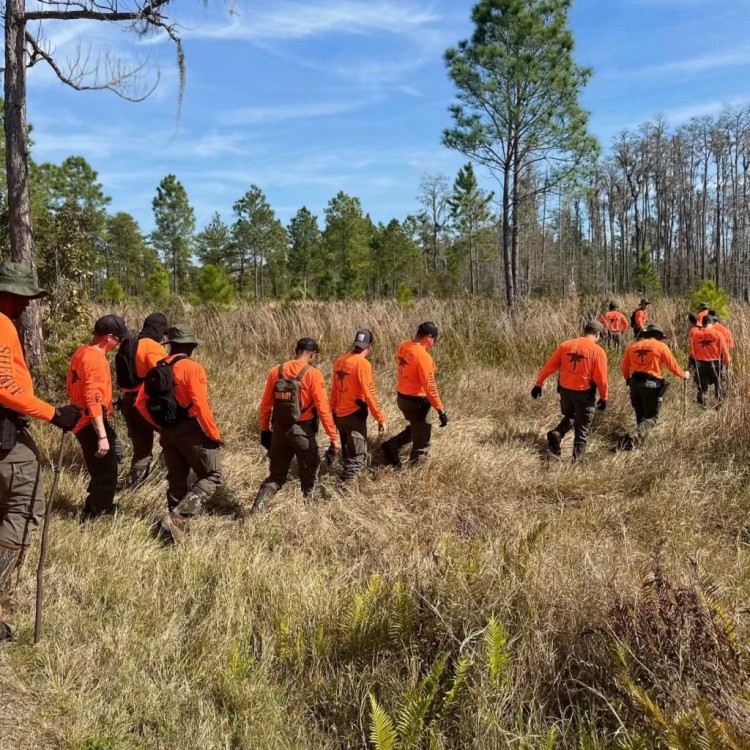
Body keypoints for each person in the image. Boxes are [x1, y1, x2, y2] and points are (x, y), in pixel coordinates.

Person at [0, 262, 81, 641]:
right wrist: (55, 414)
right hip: (5, 438)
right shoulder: (1, 323)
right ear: (7, 295)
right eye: (21, 299)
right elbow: (3, 388)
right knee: (23, 507)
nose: (25, 307)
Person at [135, 324, 223, 543]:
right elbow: (201, 404)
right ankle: (178, 518)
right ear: (191, 345)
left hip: (167, 433)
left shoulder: (158, 367)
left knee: (176, 481)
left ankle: (173, 535)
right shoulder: (193, 368)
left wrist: (158, 426)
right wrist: (214, 434)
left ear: (171, 345)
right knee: (212, 475)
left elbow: (140, 403)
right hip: (190, 430)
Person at [252, 337, 338, 512]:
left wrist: (264, 430)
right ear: (312, 355)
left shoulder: (276, 371)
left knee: (275, 478)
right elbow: (323, 409)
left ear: (296, 351)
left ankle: (256, 511)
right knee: (309, 481)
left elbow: (265, 405)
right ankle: (312, 518)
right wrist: (333, 437)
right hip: (303, 433)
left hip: (279, 432)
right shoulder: (314, 374)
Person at [67, 315, 128, 520]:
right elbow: (93, 398)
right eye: (118, 339)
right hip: (91, 422)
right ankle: (98, 515)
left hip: (81, 419)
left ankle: (95, 501)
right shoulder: (96, 359)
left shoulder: (81, 352)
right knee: (107, 473)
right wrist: (101, 434)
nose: (118, 344)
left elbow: (73, 386)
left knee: (116, 453)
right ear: (109, 337)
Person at [531, 321, 608, 462]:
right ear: (598, 334)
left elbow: (549, 366)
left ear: (586, 331)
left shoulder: (565, 345)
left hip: (565, 392)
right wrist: (604, 397)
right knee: (582, 429)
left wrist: (538, 384)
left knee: (572, 416)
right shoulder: (598, 352)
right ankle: (576, 464)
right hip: (584, 394)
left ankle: (558, 433)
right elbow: (601, 379)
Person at [381, 322, 448, 468]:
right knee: (422, 442)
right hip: (417, 402)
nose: (435, 343)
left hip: (402, 398)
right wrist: (440, 409)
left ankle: (391, 446)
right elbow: (430, 386)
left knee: (416, 427)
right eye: (435, 339)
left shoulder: (403, 346)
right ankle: (416, 474)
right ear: (428, 337)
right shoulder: (423, 357)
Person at [116, 312, 168, 489]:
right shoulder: (152, 346)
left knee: (141, 450)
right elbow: (163, 377)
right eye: (163, 331)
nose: (163, 336)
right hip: (147, 403)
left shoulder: (127, 344)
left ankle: (137, 488)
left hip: (127, 404)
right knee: (173, 438)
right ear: (158, 329)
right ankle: (163, 481)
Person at [329, 330, 386, 483]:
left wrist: (333, 411)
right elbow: (370, 394)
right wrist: (380, 418)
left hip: (339, 416)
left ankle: (358, 482)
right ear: (370, 347)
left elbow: (334, 389)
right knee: (356, 457)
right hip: (354, 416)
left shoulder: (340, 360)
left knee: (349, 453)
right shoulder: (363, 364)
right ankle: (343, 491)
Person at [620, 324, 689, 446]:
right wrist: (684, 374)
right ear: (658, 335)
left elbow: (624, 367)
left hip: (634, 383)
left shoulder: (632, 346)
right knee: (652, 418)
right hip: (651, 384)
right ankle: (635, 435)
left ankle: (635, 444)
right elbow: (672, 366)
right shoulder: (661, 346)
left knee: (640, 415)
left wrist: (628, 380)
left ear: (646, 335)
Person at [691, 315, 730, 405]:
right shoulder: (718, 334)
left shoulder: (695, 335)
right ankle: (719, 408)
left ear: (703, 323)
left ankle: (702, 408)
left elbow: (692, 352)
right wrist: (728, 364)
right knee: (719, 387)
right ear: (712, 323)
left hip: (701, 365)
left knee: (702, 389)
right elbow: (725, 351)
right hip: (716, 365)